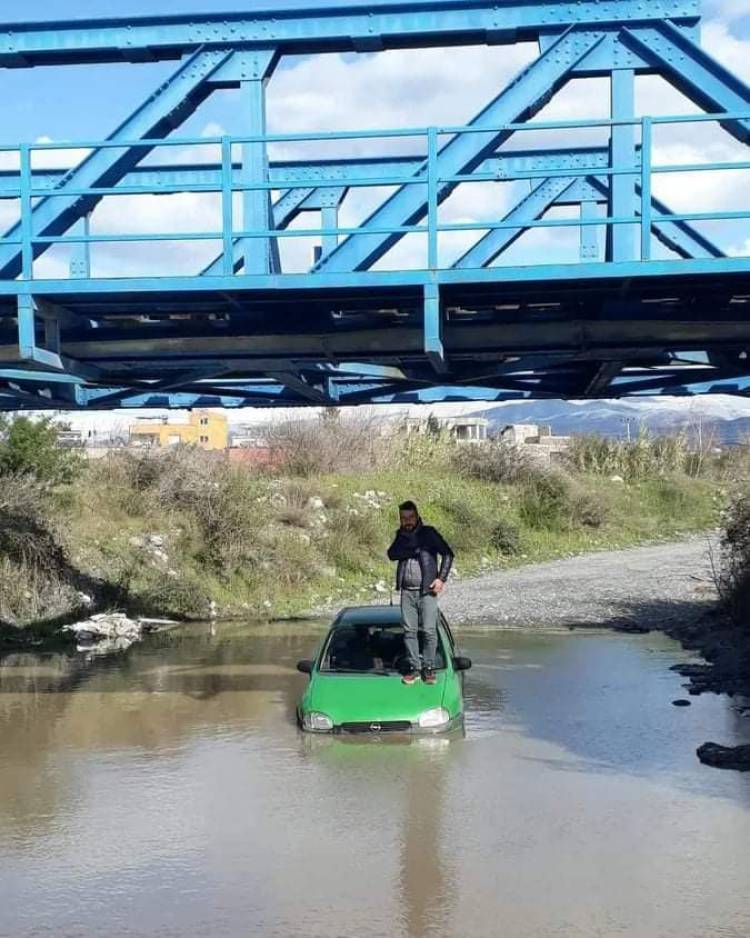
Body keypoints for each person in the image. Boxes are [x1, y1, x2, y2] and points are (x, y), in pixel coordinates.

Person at [387, 500, 454, 685]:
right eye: (403, 518)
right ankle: (414, 668)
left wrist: (441, 578)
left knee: (429, 631)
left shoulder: (429, 533)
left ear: (417, 516)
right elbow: (391, 554)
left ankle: (428, 668)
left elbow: (448, 554)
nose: (407, 521)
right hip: (407, 591)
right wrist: (406, 543)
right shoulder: (400, 535)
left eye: (410, 517)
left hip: (427, 590)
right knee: (409, 631)